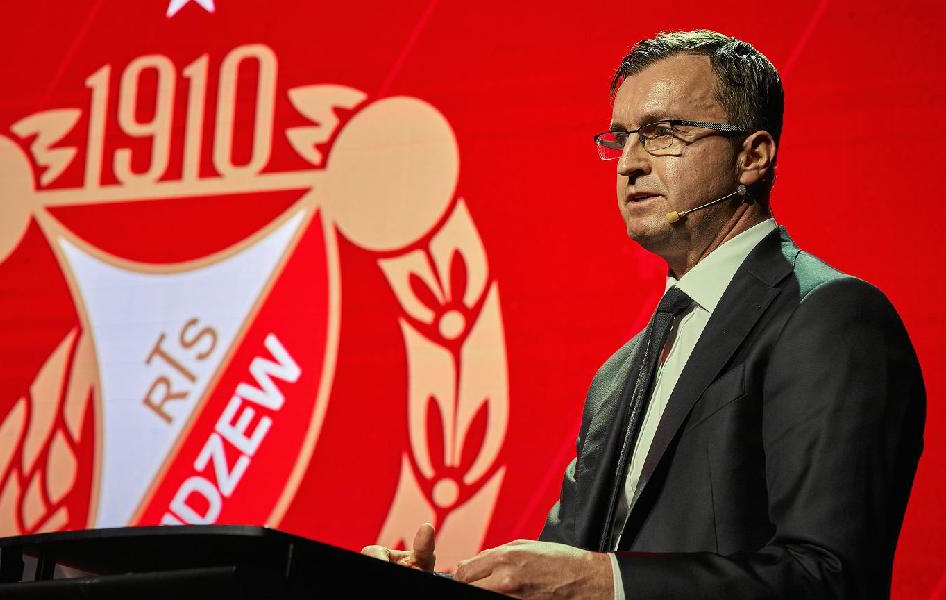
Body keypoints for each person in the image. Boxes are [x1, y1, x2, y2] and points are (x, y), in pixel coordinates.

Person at [363, 29, 925, 600]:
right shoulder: (618, 376)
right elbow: (559, 580)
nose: (629, 164)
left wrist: (607, 581)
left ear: (752, 156)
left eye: (662, 133)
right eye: (621, 137)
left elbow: (829, 578)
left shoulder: (827, 318)